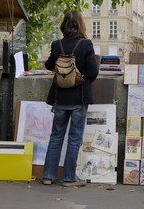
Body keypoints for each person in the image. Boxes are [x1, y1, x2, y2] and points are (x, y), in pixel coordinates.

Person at [42, 10, 99, 187]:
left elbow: (49, 65)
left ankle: (48, 176)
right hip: (79, 99)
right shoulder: (86, 44)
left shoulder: (56, 44)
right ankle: (68, 177)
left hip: (60, 99)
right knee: (75, 138)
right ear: (81, 25)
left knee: (56, 136)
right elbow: (93, 72)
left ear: (63, 25)